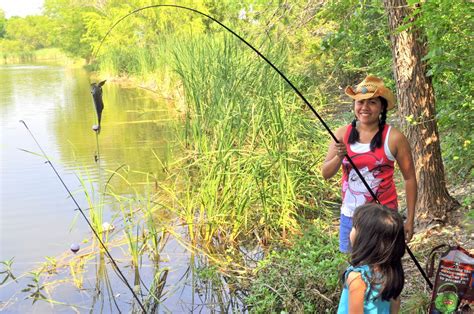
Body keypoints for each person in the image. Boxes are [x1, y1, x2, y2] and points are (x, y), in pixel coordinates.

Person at [321, 75, 417, 253]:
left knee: (384, 269)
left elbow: (410, 178)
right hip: (351, 216)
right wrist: (339, 157)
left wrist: (409, 220)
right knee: (356, 268)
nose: (364, 107)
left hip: (384, 216)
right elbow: (325, 173)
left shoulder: (395, 137)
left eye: (372, 102)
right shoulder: (342, 133)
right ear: (354, 106)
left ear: (382, 107)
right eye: (360, 102)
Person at [337, 204, 406, 313]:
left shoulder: (357, 277)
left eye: (355, 226)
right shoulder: (391, 272)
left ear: (366, 240)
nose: (352, 230)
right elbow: (395, 304)